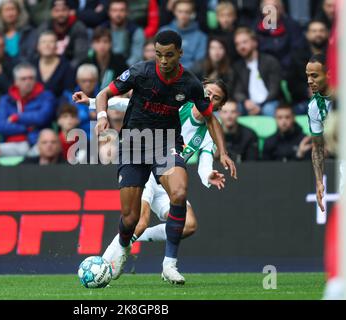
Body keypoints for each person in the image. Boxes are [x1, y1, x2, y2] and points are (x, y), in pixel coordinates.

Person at [93, 30, 236, 284]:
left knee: (179, 193)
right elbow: (107, 94)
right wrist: (101, 115)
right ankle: (123, 247)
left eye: (169, 55)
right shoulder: (140, 72)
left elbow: (211, 118)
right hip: (134, 145)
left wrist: (222, 153)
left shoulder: (190, 83)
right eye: (159, 54)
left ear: (180, 53)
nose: (163, 60)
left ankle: (169, 264)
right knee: (130, 219)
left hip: (165, 145)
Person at [76, 80, 229, 265]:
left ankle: (131, 241)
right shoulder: (180, 105)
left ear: (219, 106)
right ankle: (104, 264)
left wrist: (208, 175)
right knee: (139, 222)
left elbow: (205, 162)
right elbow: (130, 104)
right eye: (208, 92)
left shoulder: (209, 133)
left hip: (167, 181)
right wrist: (92, 102)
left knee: (189, 226)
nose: (209, 98)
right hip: (147, 169)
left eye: (216, 98)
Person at [0, 62, 56, 157]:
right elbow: (1, 126)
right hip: (12, 144)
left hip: (36, 144)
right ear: (16, 81)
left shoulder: (46, 96)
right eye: (23, 79)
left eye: (31, 78)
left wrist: (17, 118)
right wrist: (27, 127)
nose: (27, 82)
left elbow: (42, 118)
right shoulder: (6, 100)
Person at [232, 27, 282, 116]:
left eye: (244, 42)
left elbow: (274, 90)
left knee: (268, 109)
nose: (241, 47)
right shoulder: (238, 66)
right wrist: (245, 101)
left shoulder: (270, 61)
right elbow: (237, 91)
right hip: (249, 104)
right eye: (237, 44)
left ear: (255, 42)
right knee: (233, 109)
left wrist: (260, 105)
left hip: (269, 102)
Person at [306, 54, 333, 213]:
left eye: (314, 75)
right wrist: (319, 181)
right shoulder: (315, 107)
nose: (309, 81)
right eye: (308, 76)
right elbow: (317, 148)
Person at [288, 20, 329, 115]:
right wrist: (307, 91)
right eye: (314, 31)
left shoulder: (336, 54)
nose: (318, 34)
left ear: (327, 33)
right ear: (307, 34)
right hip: (305, 100)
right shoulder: (297, 55)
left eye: (321, 31)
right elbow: (291, 82)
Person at [254, 0, 306, 74]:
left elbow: (297, 50)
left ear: (281, 10)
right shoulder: (256, 28)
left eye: (275, 8)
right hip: (263, 70)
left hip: (288, 70)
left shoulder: (292, 26)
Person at [36, 0, 89, 68]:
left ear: (69, 11)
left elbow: (80, 55)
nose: (60, 14)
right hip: (47, 66)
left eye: (64, 10)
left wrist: (66, 71)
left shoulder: (78, 27)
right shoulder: (44, 28)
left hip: (71, 69)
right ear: (52, 12)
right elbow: (37, 52)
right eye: (57, 11)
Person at [159, 0, 207, 70]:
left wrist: (180, 73)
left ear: (192, 13)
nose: (183, 15)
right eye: (180, 11)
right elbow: (157, 57)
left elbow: (199, 63)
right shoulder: (163, 32)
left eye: (187, 12)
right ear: (174, 12)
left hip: (190, 76)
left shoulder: (201, 37)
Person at [31, 31, 75, 98]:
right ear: (38, 46)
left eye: (51, 41)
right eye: (43, 42)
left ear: (56, 46)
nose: (47, 45)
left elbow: (68, 93)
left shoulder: (66, 67)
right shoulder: (31, 66)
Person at [101, 0, 145, 66]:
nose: (118, 14)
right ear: (109, 12)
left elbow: (137, 57)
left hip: (128, 70)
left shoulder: (135, 31)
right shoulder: (102, 29)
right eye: (114, 10)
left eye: (122, 10)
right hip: (105, 68)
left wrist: (121, 69)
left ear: (127, 12)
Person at [62, 63, 98, 137]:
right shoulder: (68, 96)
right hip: (76, 137)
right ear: (78, 81)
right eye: (84, 81)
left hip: (100, 137)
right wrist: (88, 114)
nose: (88, 84)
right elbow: (63, 119)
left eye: (91, 80)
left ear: (96, 80)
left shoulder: (103, 95)